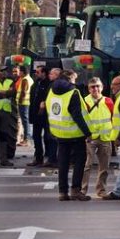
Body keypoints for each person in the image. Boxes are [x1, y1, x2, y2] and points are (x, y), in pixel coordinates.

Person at [46, 69, 92, 201]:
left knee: (63, 163)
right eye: (74, 79)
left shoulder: (51, 89)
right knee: (79, 161)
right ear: (70, 77)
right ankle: (76, 190)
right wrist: (87, 133)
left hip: (59, 132)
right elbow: (77, 115)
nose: (75, 81)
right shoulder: (73, 92)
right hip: (75, 133)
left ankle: (62, 192)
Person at [81, 77, 114, 197]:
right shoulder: (84, 102)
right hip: (90, 138)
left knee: (104, 167)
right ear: (89, 89)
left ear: (102, 87)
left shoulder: (108, 101)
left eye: (98, 86)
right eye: (92, 87)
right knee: (86, 166)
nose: (95, 89)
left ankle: (101, 190)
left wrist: (114, 136)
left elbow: (113, 119)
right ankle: (82, 190)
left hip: (105, 137)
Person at [27, 66, 57, 167]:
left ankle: (49, 158)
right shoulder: (36, 83)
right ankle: (38, 157)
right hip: (36, 115)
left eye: (38, 72)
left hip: (46, 116)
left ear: (44, 73)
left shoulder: (49, 84)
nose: (36, 73)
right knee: (36, 136)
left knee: (48, 137)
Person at [16, 66, 33, 146]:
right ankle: (26, 138)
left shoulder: (25, 80)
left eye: (20, 71)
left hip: (23, 103)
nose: (18, 73)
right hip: (27, 103)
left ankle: (26, 139)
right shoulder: (30, 79)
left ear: (23, 72)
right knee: (26, 121)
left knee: (25, 121)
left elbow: (23, 92)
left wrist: (19, 101)